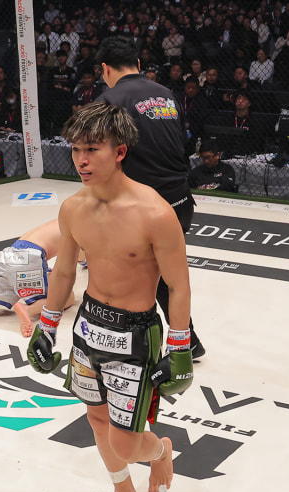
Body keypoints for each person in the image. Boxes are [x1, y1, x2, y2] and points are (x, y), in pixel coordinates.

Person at [26, 101, 193, 492]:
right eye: (76, 149)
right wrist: (47, 326)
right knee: (96, 417)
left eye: (92, 149)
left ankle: (161, 451)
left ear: (119, 152)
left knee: (127, 443)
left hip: (135, 335)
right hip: (88, 326)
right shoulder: (73, 208)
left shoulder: (155, 213)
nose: (81, 160)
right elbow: (65, 271)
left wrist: (179, 348)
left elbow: (178, 285)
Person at [94, 35, 204, 357]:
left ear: (105, 68)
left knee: (134, 277)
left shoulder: (109, 100)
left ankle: (135, 343)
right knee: (167, 277)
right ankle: (186, 341)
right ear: (138, 64)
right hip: (180, 200)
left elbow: (100, 159)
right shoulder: (167, 94)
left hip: (142, 206)